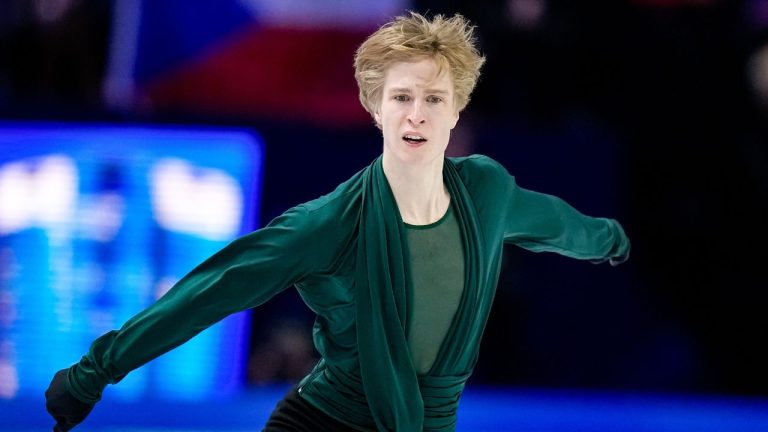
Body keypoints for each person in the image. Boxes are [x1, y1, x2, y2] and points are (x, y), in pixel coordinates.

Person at [44, 11, 630, 432]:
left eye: (434, 98)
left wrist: (609, 239)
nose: (417, 116)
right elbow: (208, 291)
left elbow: (555, 223)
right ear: (375, 108)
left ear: (457, 109)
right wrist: (94, 371)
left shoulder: (486, 189)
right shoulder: (326, 224)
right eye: (402, 98)